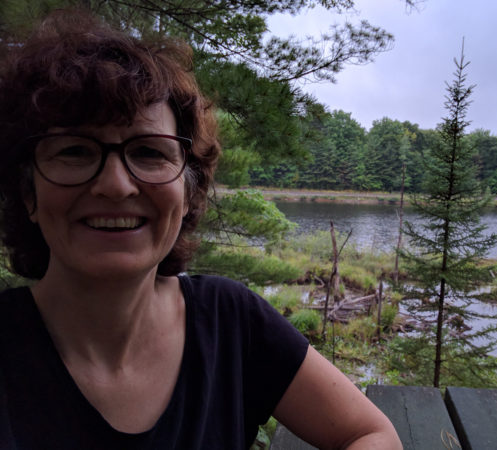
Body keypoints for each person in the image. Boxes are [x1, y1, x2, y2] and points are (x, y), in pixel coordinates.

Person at [0, 10, 401, 450]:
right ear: (28, 193)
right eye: (75, 150)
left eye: (149, 152)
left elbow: (369, 433)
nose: (115, 185)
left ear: (189, 191)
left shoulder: (231, 322)